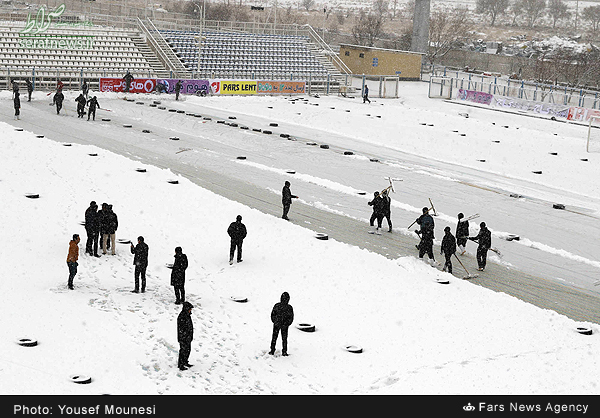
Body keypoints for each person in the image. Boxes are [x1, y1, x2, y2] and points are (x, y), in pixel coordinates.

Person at [269, 292, 294, 356]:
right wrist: (286, 323)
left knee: (275, 338)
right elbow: (291, 318)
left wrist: (276, 321)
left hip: (279, 325)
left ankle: (273, 350)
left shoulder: (278, 305)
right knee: (283, 339)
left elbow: (273, 315)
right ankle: (283, 351)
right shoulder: (289, 307)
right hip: (282, 325)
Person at [177, 301, 194, 371]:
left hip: (187, 337)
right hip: (183, 338)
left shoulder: (187, 315)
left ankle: (185, 361)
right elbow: (182, 328)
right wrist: (185, 336)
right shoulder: (182, 316)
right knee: (183, 350)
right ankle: (181, 364)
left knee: (187, 350)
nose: (191, 310)